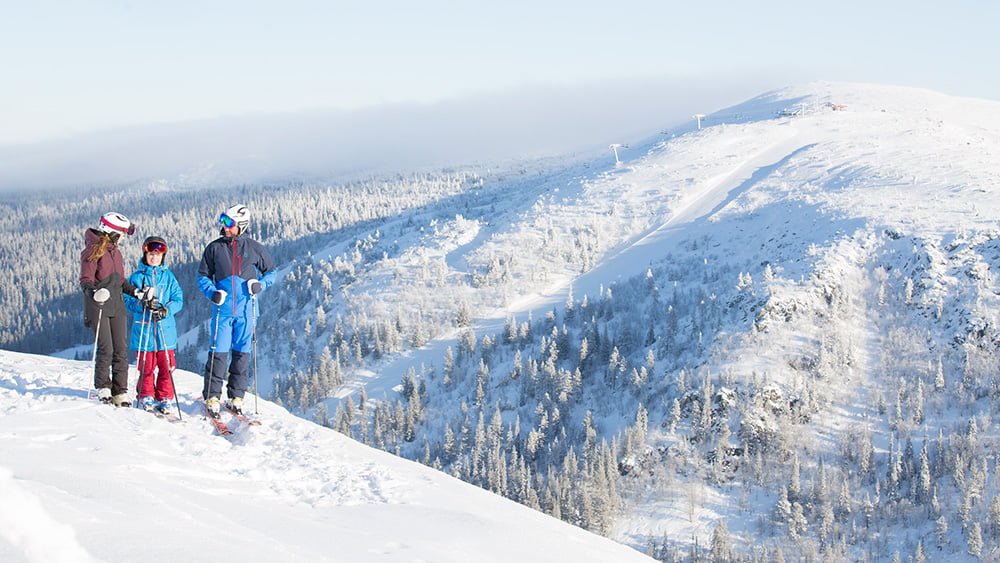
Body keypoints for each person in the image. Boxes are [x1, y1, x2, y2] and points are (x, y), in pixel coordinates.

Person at [197, 204, 276, 417]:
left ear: (241, 226)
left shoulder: (254, 248)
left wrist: (260, 285)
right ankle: (212, 396)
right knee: (218, 353)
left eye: (229, 223)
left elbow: (271, 272)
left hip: (247, 311)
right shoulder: (214, 248)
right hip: (222, 310)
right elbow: (202, 277)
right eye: (223, 221)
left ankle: (236, 397)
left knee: (242, 355)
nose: (224, 227)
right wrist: (212, 292)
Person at [80, 212, 152, 406]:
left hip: (117, 305)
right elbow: (85, 280)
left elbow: (119, 281)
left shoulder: (115, 252)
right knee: (107, 348)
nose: (122, 239)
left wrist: (136, 292)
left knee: (120, 348)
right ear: (111, 232)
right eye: (121, 234)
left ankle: (120, 391)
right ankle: (103, 387)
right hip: (99, 306)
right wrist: (94, 292)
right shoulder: (92, 251)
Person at [124, 236, 184, 415]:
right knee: (146, 367)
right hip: (145, 331)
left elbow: (178, 299)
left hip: (165, 330)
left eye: (157, 256)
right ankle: (145, 395)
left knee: (166, 366)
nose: (154, 258)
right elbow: (127, 300)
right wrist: (141, 303)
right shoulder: (137, 277)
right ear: (145, 254)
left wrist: (166, 310)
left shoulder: (168, 276)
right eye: (150, 254)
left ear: (162, 257)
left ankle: (164, 397)